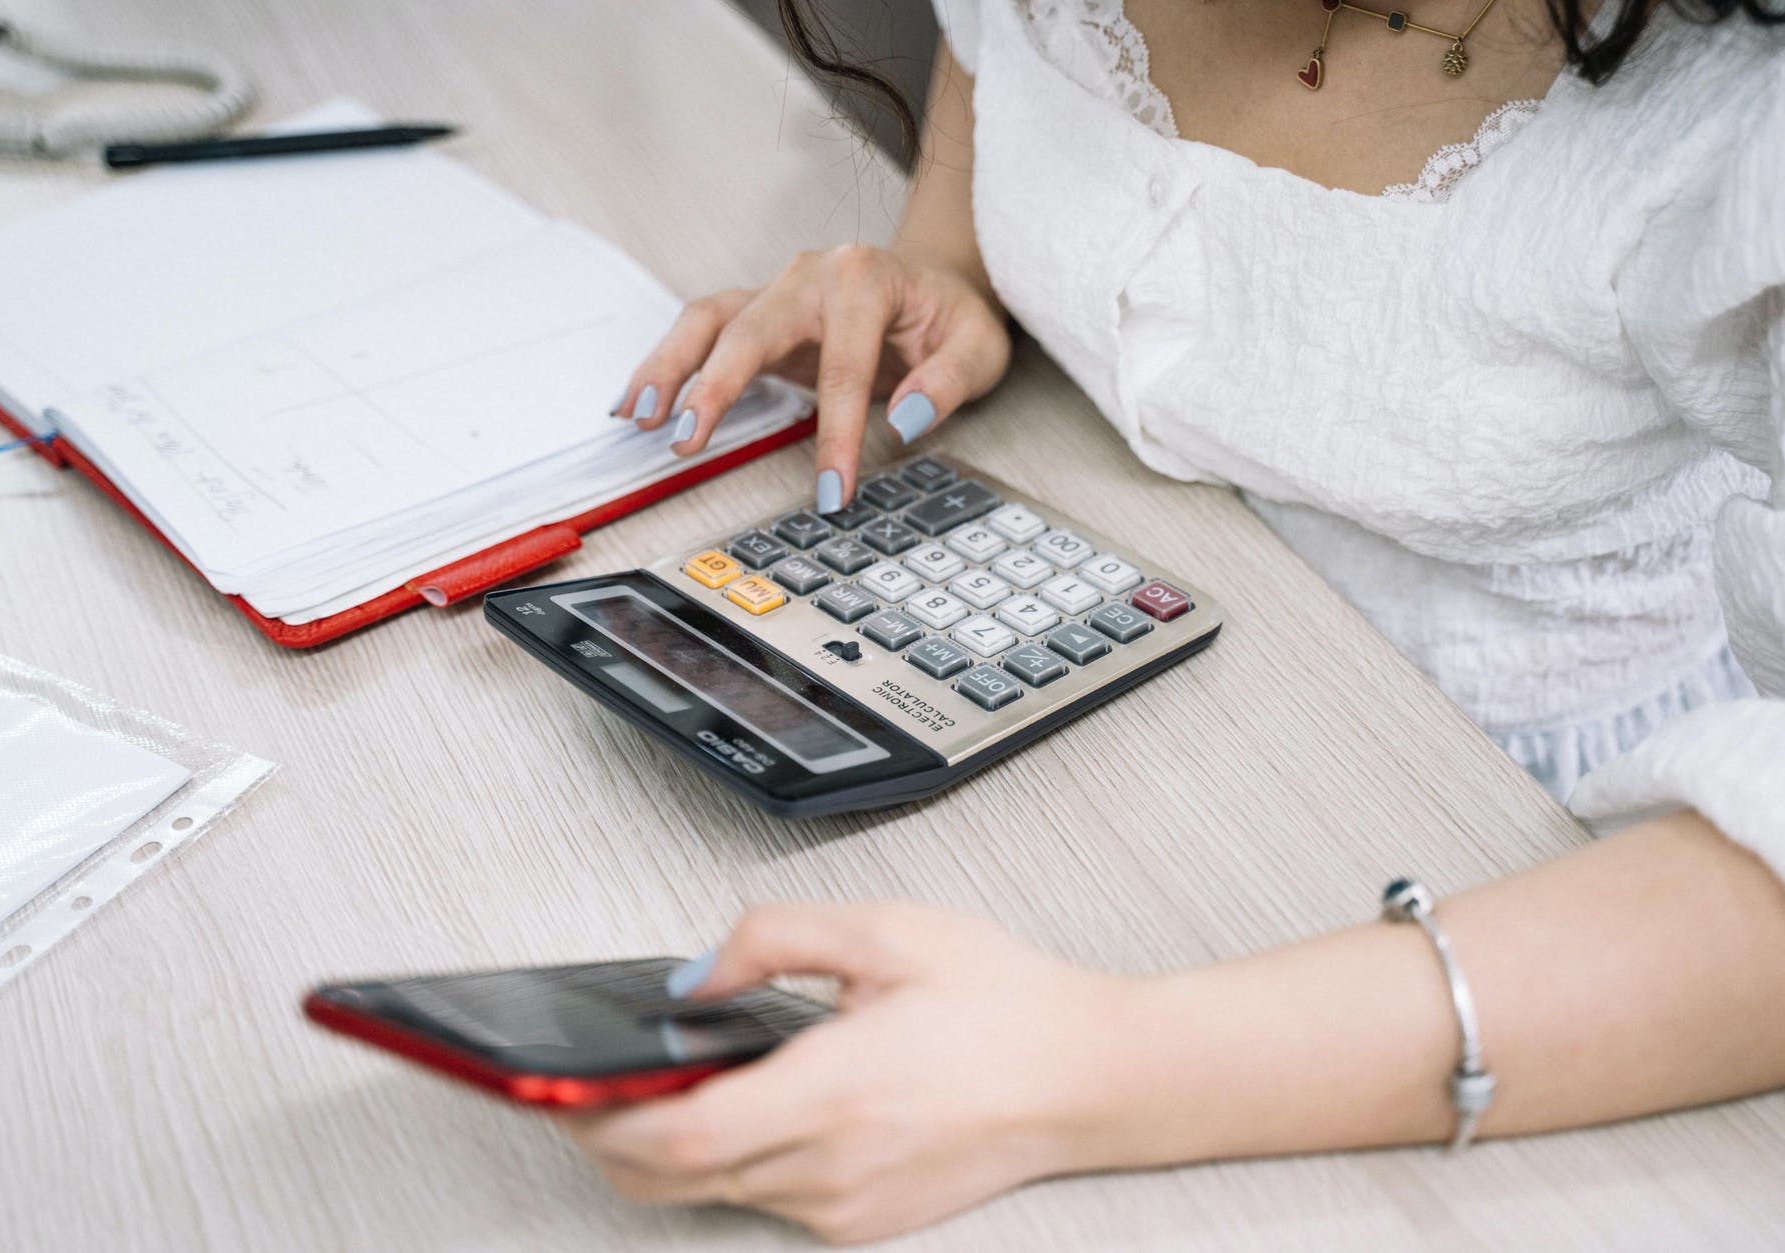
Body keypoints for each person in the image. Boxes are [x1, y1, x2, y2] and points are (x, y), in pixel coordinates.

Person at [589, 0, 1785, 1242]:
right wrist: (942, 270)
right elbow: (997, 75)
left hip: (1548, 875)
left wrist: (1080, 1071)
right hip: (1147, 727)